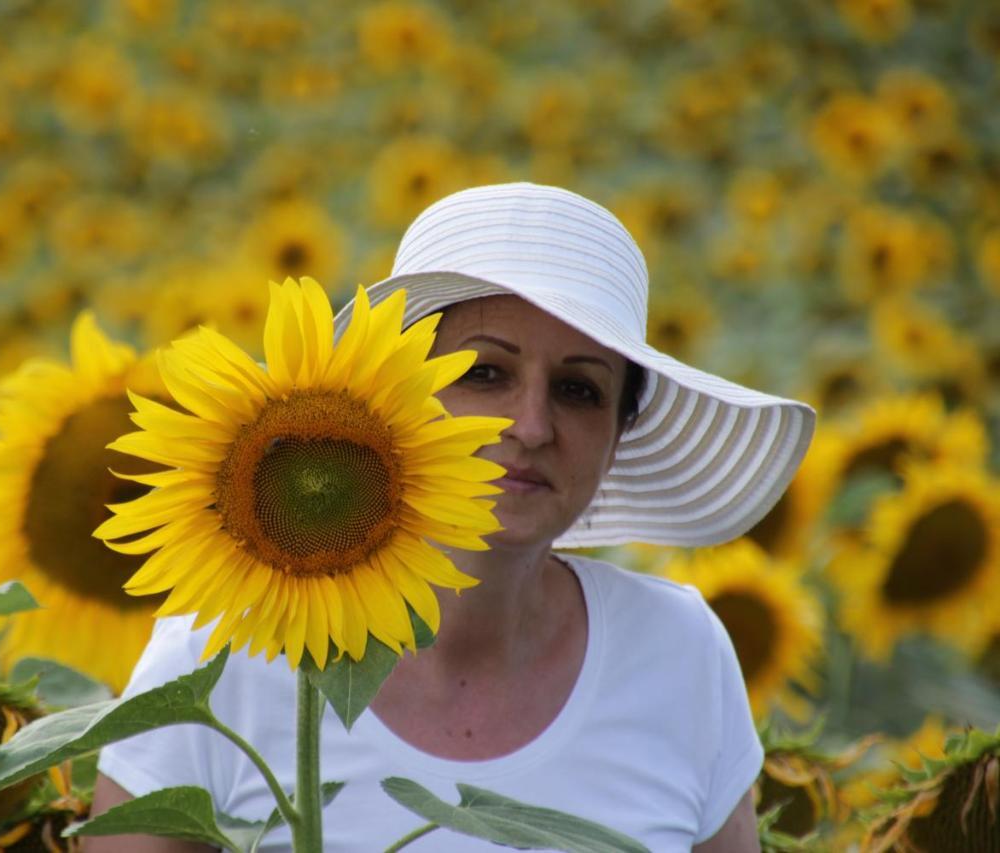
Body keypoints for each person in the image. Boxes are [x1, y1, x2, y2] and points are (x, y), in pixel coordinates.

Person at [88, 183, 814, 852]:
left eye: (578, 390)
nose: (531, 425)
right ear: (396, 392)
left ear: (619, 434)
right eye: (484, 373)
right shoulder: (217, 658)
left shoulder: (677, 652)